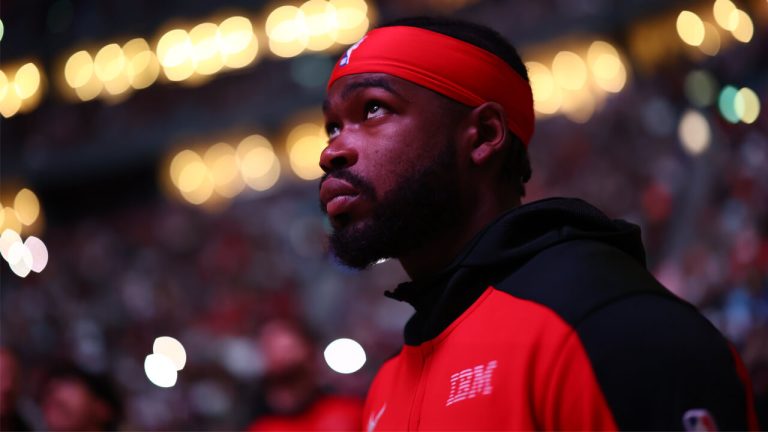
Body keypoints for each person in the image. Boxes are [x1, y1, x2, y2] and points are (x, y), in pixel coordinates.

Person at [318, 16, 759, 430]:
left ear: (485, 134)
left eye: (373, 109)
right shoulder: (388, 382)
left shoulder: (604, 325)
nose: (330, 152)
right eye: (333, 127)